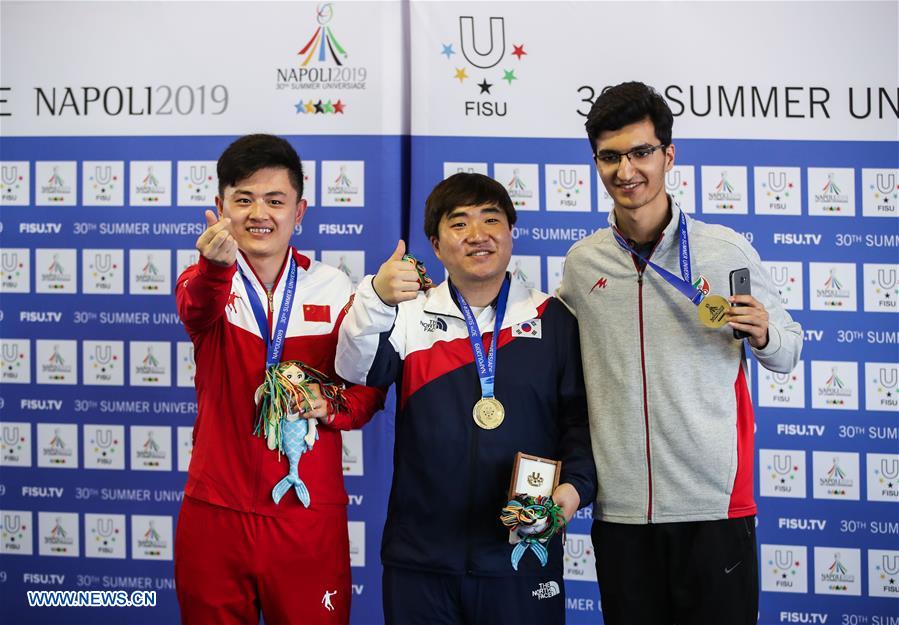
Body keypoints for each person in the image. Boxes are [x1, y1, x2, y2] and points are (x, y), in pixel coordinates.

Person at [559, 82, 803, 625]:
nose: (627, 170)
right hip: (621, 512)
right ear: (596, 162)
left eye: (641, 152)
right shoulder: (582, 265)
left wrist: (765, 333)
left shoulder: (724, 250)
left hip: (714, 507)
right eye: (610, 156)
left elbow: (788, 352)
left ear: (668, 155)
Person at [335, 173, 597, 625]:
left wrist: (569, 497)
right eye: (459, 224)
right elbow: (354, 370)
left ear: (511, 233)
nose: (478, 235)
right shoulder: (408, 318)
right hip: (421, 562)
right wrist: (375, 299)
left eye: (491, 219)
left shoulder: (553, 319)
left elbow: (581, 427)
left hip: (522, 554)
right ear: (436, 246)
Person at [174, 134, 384, 625]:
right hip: (216, 514)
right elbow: (196, 306)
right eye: (243, 199)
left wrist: (329, 403)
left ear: (300, 210)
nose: (258, 213)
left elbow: (368, 389)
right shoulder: (202, 280)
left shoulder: (335, 287)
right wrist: (213, 268)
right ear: (219, 206)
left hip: (305, 515)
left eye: (275, 200)